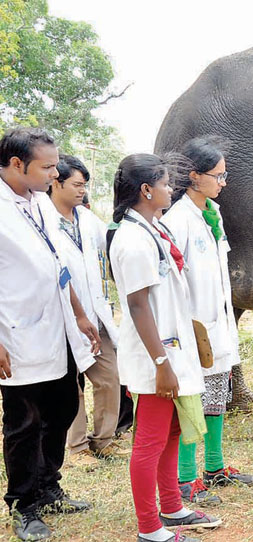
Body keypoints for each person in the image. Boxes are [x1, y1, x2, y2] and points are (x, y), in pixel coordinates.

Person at [107, 153, 221, 542]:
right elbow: (138, 307)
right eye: (166, 183)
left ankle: (171, 506)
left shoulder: (153, 230)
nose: (171, 189)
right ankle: (148, 528)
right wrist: (161, 363)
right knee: (150, 441)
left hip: (172, 350)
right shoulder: (133, 240)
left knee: (172, 431)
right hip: (155, 356)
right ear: (145, 189)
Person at [0, 127, 99, 540]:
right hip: (18, 334)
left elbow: (57, 263)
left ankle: (48, 486)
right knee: (24, 423)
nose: (55, 174)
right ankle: (23, 504)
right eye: (48, 166)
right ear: (18, 164)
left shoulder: (39, 202)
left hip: (59, 328)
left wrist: (78, 313)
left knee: (61, 410)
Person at [160, 137, 253, 505]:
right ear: (195, 177)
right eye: (218, 175)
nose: (224, 182)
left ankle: (214, 467)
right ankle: (185, 479)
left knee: (216, 395)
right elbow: (172, 280)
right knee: (191, 401)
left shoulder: (211, 214)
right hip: (192, 329)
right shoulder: (178, 220)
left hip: (218, 325)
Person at [44, 155, 126, 467]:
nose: (82, 191)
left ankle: (103, 441)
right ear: (56, 183)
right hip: (61, 317)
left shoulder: (87, 220)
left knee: (109, 377)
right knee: (71, 383)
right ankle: (77, 448)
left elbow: (111, 245)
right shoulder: (42, 219)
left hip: (96, 314)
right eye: (77, 185)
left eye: (85, 185)